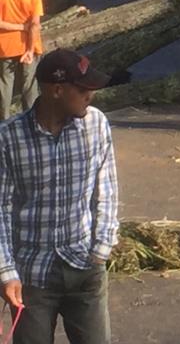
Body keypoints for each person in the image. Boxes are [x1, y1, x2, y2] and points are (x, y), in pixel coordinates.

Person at [0, 48, 118, 344]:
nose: (90, 95)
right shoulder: (8, 138)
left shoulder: (96, 124)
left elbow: (106, 187)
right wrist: (6, 271)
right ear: (56, 90)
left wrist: (102, 246)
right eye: (82, 89)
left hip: (85, 267)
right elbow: (0, 208)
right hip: (31, 276)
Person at [0, 0, 43, 120]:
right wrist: (30, 50)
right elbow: (34, 25)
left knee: (4, 85)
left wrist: (18, 27)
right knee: (29, 86)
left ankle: (3, 123)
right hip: (28, 45)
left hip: (4, 46)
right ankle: (31, 121)